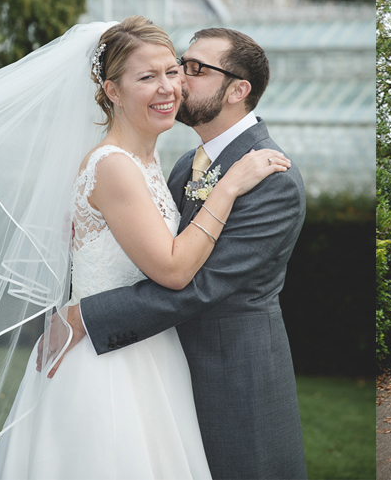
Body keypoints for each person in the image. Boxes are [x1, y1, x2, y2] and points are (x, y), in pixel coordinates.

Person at [0, 17, 289, 479]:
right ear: (113, 91)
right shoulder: (116, 166)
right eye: (147, 77)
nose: (170, 87)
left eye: (173, 71)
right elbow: (176, 270)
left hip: (153, 354)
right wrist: (228, 186)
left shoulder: (158, 163)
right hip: (109, 369)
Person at [52, 27, 309, 480]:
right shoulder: (177, 165)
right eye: (176, 67)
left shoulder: (273, 178)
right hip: (158, 366)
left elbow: (202, 286)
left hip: (234, 376)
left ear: (238, 90)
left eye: (192, 69)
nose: (179, 82)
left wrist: (87, 316)